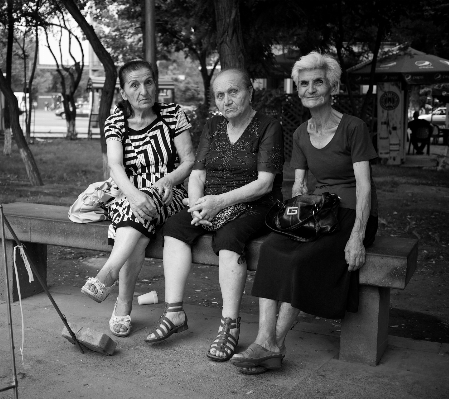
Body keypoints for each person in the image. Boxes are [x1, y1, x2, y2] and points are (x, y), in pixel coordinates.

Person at [230, 51, 378, 375]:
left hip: (353, 214)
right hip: (318, 212)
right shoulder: (300, 133)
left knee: (302, 259)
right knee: (272, 249)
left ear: (333, 87)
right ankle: (264, 340)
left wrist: (357, 238)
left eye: (318, 82)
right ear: (297, 89)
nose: (310, 89)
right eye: (304, 83)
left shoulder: (353, 128)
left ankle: (273, 345)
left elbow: (365, 187)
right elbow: (298, 185)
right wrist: (295, 219)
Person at [145, 68, 285, 363]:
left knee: (229, 236)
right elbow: (197, 174)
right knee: (175, 227)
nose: (226, 100)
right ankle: (174, 313)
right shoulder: (213, 126)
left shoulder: (268, 126)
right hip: (211, 202)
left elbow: (265, 183)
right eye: (220, 95)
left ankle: (229, 325)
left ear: (250, 92)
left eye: (233, 92)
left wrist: (218, 202)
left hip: (255, 204)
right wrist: (197, 207)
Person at [80, 60, 195, 337]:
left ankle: (110, 281)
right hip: (128, 192)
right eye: (134, 85)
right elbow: (116, 167)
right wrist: (133, 195)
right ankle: (121, 300)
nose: (143, 90)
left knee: (139, 213)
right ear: (123, 92)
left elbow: (189, 160)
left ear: (155, 84)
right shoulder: (115, 121)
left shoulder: (172, 114)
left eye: (148, 82)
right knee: (137, 229)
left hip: (169, 191)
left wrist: (168, 180)